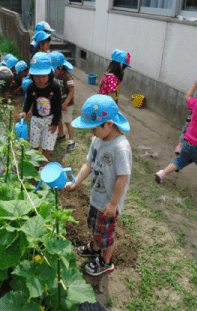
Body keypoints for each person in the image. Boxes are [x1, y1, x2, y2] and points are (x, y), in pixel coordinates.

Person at [63, 95, 132, 276]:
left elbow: (122, 178)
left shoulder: (120, 147)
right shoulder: (97, 141)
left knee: (106, 235)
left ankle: (105, 261)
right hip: (96, 197)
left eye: (94, 128)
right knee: (95, 226)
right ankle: (95, 248)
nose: (92, 133)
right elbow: (89, 165)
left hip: (109, 203)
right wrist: (76, 182)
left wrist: (114, 204)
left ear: (108, 124)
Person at [19, 53, 62, 170]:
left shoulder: (55, 88)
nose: (40, 79)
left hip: (50, 120)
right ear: (32, 75)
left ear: (49, 74)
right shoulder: (31, 87)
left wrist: (55, 123)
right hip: (36, 120)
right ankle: (34, 162)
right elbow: (28, 101)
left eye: (43, 75)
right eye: (37, 76)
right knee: (34, 142)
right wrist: (24, 111)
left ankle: (44, 166)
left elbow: (58, 107)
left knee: (47, 145)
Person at [50, 51, 76, 151]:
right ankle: (61, 135)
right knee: (59, 120)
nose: (53, 71)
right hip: (58, 103)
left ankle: (71, 140)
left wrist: (65, 103)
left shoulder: (67, 77)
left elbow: (71, 92)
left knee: (67, 121)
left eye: (54, 69)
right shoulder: (56, 75)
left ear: (60, 67)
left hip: (67, 104)